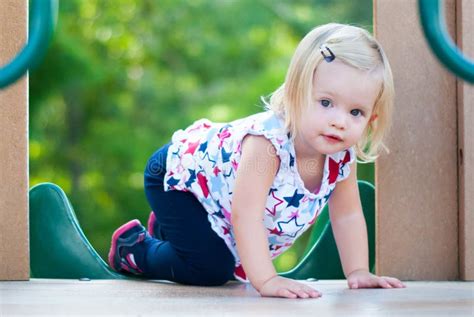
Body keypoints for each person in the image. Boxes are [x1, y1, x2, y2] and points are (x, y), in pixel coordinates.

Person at [108, 23, 406, 299]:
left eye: (356, 112)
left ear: (371, 119)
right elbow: (246, 216)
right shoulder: (267, 146)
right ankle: (135, 248)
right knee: (212, 269)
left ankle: (174, 230)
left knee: (213, 255)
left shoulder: (341, 158)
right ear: (296, 94)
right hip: (177, 179)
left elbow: (347, 216)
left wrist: (358, 272)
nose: (339, 121)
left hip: (214, 197)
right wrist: (266, 280)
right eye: (326, 103)